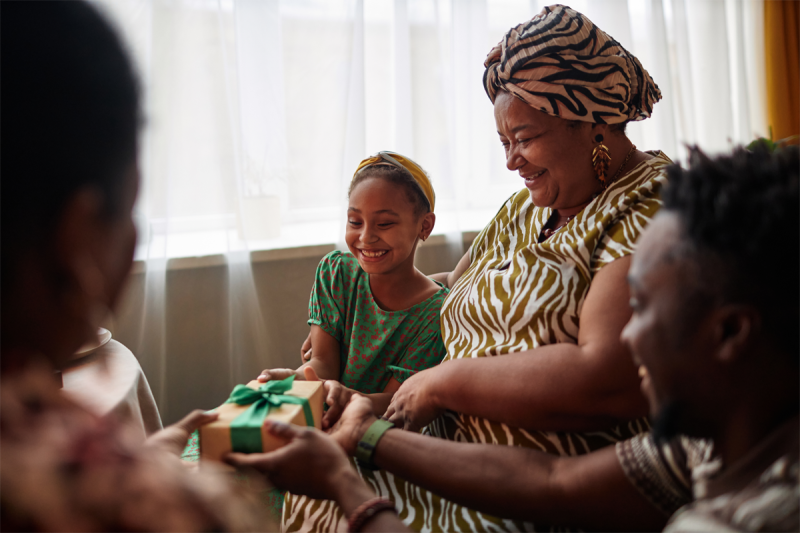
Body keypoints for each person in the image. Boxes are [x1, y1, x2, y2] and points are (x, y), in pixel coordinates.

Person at [230, 145, 800, 532]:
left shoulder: (747, 518)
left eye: (643, 309)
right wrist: (367, 431)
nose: (625, 335)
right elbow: (554, 481)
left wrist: (343, 479)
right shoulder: (699, 448)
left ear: (731, 333)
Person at [285, 5, 669, 531]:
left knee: (326, 485)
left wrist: (446, 382)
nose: (511, 162)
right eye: (504, 143)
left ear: (593, 120)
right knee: (305, 469)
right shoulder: (529, 206)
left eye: (526, 138)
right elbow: (448, 285)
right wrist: (360, 292)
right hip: (447, 445)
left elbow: (605, 378)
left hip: (537, 482)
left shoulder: (649, 206)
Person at [0, 1, 267, 530]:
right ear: (77, 237)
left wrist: (153, 448)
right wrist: (348, 489)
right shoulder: (144, 506)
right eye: (128, 208)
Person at [257, 152, 448, 419]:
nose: (366, 237)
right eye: (355, 222)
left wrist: (346, 397)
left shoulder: (436, 314)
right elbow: (323, 364)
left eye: (384, 224)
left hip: (375, 435)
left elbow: (396, 402)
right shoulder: (336, 274)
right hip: (321, 418)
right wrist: (295, 378)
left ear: (424, 226)